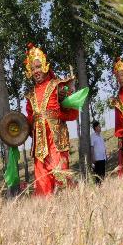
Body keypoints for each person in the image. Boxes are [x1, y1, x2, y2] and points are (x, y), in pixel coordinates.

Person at [22, 44, 78, 196]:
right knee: (42, 183)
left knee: (61, 178)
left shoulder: (58, 86)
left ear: (45, 66)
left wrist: (57, 115)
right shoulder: (30, 94)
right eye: (33, 68)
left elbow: (73, 112)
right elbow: (28, 118)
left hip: (56, 141)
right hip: (39, 144)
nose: (36, 71)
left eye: (39, 66)